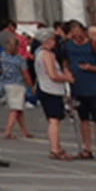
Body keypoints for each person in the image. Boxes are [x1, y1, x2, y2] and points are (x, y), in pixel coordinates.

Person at [32, 27, 75, 159]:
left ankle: (57, 146)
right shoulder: (47, 54)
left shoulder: (38, 53)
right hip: (51, 89)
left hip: (44, 88)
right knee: (54, 120)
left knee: (53, 120)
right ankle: (55, 149)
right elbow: (53, 75)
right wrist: (68, 78)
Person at [62, 19, 96, 159]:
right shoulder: (67, 46)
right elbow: (65, 62)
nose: (78, 35)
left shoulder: (92, 45)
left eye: (79, 31)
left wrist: (91, 68)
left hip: (93, 86)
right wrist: (67, 72)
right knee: (83, 119)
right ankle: (87, 148)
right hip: (78, 87)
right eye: (74, 33)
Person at [0, 30, 30, 141]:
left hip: (6, 83)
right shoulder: (20, 59)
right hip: (18, 84)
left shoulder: (3, 56)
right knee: (15, 109)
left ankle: (25, 130)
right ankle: (8, 131)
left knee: (18, 109)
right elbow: (25, 73)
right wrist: (31, 86)